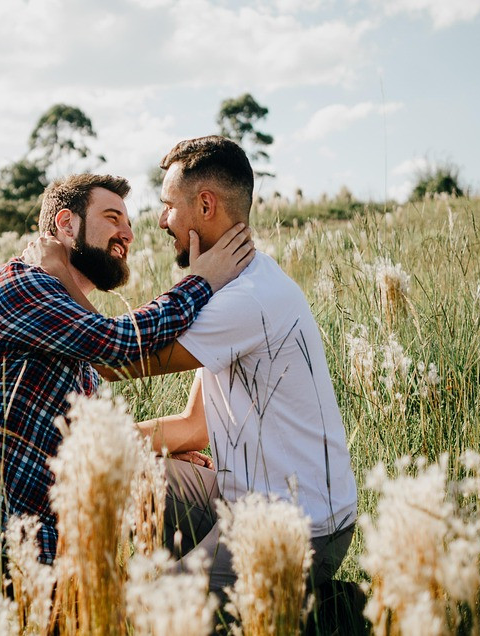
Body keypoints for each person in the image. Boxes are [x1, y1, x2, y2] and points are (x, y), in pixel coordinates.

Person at [0, 173, 254, 601]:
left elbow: (87, 441)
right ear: (66, 224)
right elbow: (120, 344)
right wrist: (202, 281)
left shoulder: (76, 349)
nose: (127, 233)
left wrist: (156, 449)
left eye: (128, 222)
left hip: (28, 551)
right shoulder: (23, 284)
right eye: (112, 217)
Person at [102, 136, 358, 603]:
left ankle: (318, 608)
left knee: (149, 615)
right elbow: (195, 427)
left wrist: (57, 274)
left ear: (205, 205)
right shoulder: (233, 289)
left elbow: (115, 360)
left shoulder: (247, 300)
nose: (161, 220)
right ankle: (261, 598)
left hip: (297, 527)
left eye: (167, 205)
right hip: (243, 501)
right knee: (134, 470)